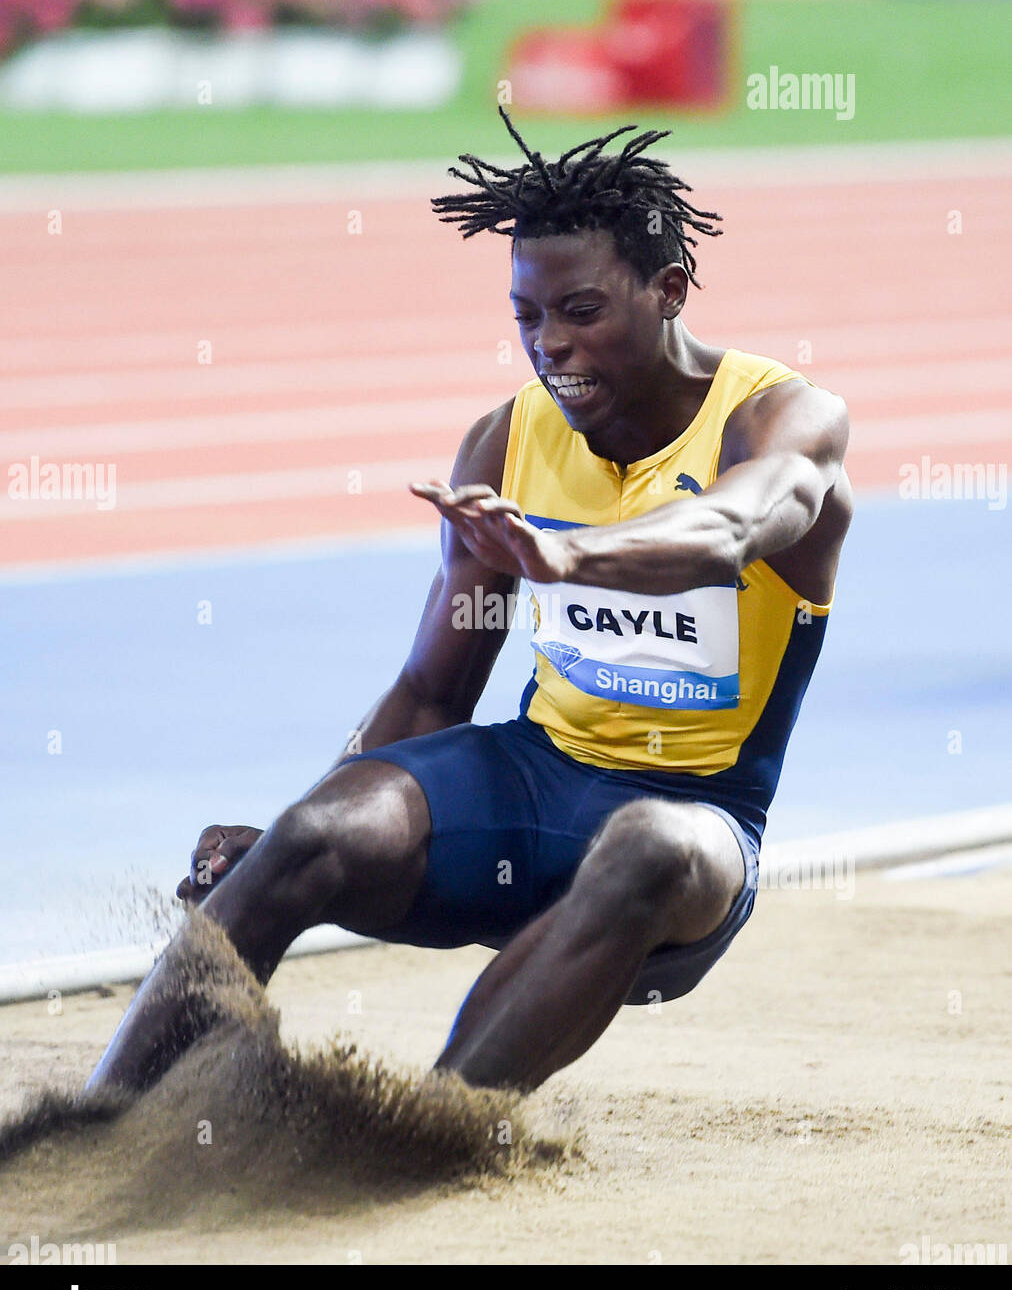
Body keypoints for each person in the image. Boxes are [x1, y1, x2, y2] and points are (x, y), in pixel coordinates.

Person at [86, 110, 851, 1097]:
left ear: (669, 290)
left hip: (692, 825)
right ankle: (99, 1126)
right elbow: (431, 690)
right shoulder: (504, 439)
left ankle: (429, 1127)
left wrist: (570, 556)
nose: (550, 346)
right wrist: (286, 837)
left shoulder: (780, 419)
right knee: (307, 837)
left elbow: (728, 533)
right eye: (527, 317)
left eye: (580, 310)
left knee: (647, 847)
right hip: (530, 788)